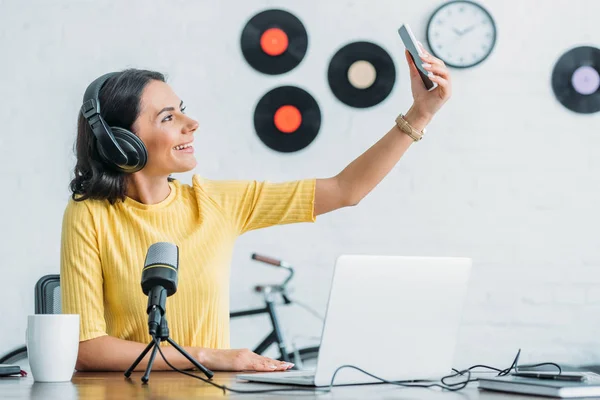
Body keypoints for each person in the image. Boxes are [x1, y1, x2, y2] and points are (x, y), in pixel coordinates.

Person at [61, 43, 452, 373]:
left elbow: (345, 189)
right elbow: (87, 348)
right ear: (120, 143)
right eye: (168, 117)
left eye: (182, 108)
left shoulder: (216, 203)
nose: (191, 122)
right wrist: (207, 357)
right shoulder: (90, 215)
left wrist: (421, 113)